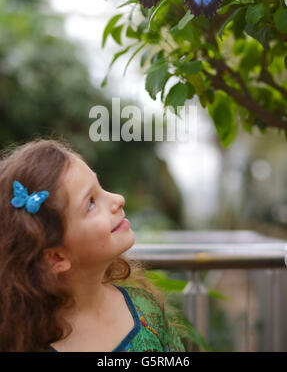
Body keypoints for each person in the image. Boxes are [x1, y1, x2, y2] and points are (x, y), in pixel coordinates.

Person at [0, 137, 186, 352]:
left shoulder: (146, 309)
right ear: (56, 258)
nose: (118, 199)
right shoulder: (20, 343)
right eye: (91, 203)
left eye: (101, 187)